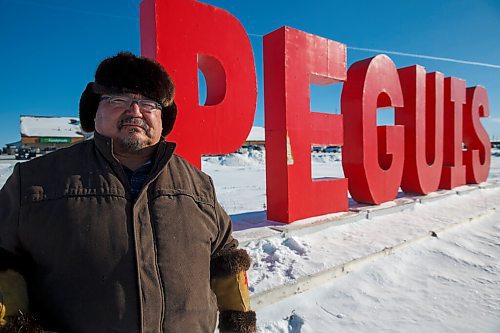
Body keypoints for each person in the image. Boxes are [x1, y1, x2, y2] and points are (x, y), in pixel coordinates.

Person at [0, 52, 256, 333]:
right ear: (93, 112)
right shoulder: (34, 181)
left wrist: (239, 325)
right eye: (118, 99)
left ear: (163, 119)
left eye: (148, 103)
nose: (135, 112)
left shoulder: (199, 184)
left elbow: (225, 258)